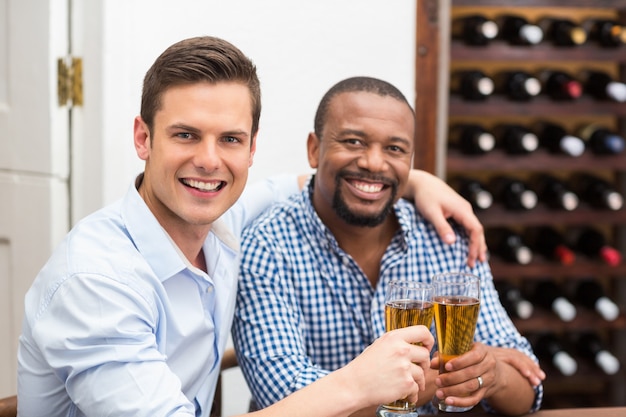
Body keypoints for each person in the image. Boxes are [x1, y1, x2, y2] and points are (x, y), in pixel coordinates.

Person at [16, 36, 486, 417]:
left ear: (251, 150)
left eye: (230, 139)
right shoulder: (96, 281)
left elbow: (318, 179)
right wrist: (357, 385)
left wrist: (415, 180)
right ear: (143, 137)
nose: (208, 160)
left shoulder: (223, 223)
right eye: (185, 134)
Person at [232, 76, 546, 416]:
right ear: (314, 149)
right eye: (353, 142)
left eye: (394, 149)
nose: (374, 163)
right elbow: (285, 400)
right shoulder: (266, 248)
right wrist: (422, 384)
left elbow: (528, 386)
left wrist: (493, 375)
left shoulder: (446, 238)